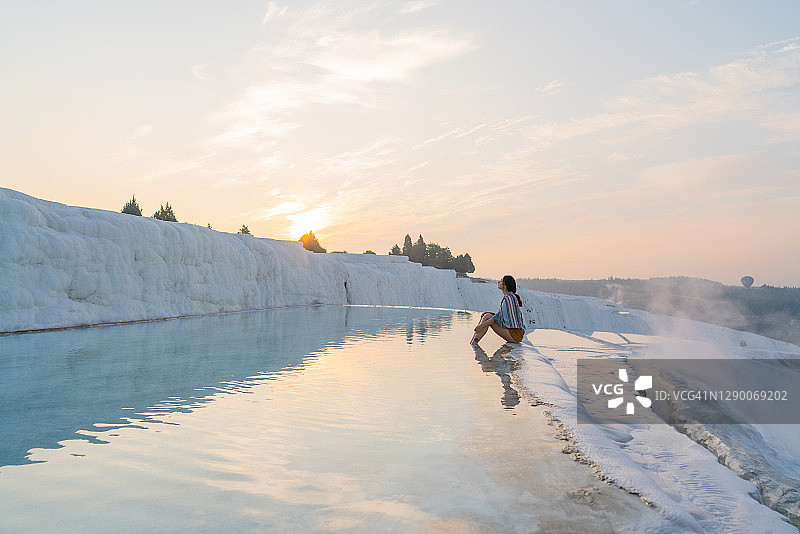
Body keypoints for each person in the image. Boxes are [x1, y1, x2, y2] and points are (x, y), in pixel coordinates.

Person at [471, 275, 526, 344]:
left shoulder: (508, 298)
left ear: (505, 285)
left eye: (501, 281)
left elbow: (496, 318)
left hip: (515, 335)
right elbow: (501, 315)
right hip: (515, 333)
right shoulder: (510, 296)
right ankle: (473, 342)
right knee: (487, 315)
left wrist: (481, 325)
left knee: (487, 317)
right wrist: (490, 314)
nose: (498, 282)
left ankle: (473, 343)